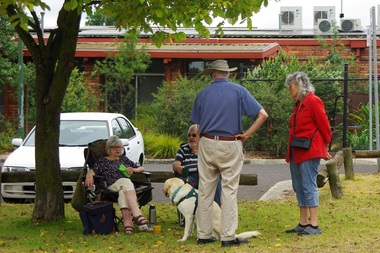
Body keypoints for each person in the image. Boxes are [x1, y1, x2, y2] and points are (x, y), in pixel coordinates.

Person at [190, 60, 268, 247]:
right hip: (230, 143)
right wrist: (246, 135)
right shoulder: (239, 91)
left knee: (205, 191)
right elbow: (263, 115)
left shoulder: (202, 94)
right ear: (228, 74)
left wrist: (201, 145)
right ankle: (227, 237)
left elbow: (197, 126)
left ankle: (203, 234)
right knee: (229, 191)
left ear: (213, 74)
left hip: (207, 142)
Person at [285, 72, 332, 236]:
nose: (289, 89)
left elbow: (325, 127)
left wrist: (325, 148)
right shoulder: (298, 104)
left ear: (299, 85)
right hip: (296, 151)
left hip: (309, 150)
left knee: (308, 185)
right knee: (298, 186)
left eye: (290, 86)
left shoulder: (313, 101)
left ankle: (314, 225)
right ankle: (303, 223)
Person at [84, 135, 151, 235]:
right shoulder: (103, 161)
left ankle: (128, 224)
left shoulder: (124, 159)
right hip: (109, 187)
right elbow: (93, 171)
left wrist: (133, 170)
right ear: (108, 149)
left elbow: (141, 168)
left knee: (123, 192)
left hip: (124, 189)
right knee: (126, 182)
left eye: (120, 147)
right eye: (115, 147)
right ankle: (137, 215)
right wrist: (89, 175)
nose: (118, 149)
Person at [173, 124, 222, 206]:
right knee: (183, 183)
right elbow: (176, 162)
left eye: (194, 135)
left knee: (216, 180)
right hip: (190, 177)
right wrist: (178, 167)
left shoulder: (207, 148)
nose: (191, 138)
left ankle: (215, 209)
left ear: (200, 137)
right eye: (189, 135)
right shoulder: (183, 149)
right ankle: (188, 214)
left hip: (206, 176)